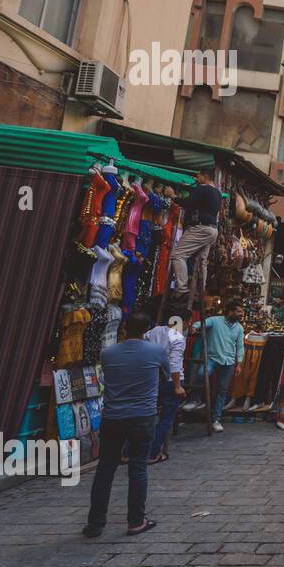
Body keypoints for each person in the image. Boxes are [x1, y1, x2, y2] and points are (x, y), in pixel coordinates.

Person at [84, 312, 168, 537]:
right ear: (146, 330)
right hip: (142, 416)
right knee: (138, 468)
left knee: (105, 469)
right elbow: (167, 374)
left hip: (113, 416)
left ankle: (95, 522)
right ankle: (136, 521)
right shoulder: (157, 351)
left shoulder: (108, 353)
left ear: (123, 328)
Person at [168, 169, 221, 307]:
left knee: (178, 255)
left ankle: (182, 290)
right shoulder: (217, 193)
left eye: (198, 176)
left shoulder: (202, 189)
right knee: (201, 260)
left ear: (205, 176)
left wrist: (173, 196)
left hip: (201, 228)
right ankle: (200, 289)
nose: (196, 179)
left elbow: (189, 203)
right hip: (212, 229)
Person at [145, 317, 186, 463]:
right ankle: (153, 453)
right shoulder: (178, 337)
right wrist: (177, 386)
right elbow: (174, 363)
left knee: (145, 417)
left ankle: (127, 452)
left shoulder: (153, 332)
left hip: (151, 378)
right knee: (166, 419)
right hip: (169, 381)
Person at [203, 302, 245, 432]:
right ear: (230, 311)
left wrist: (239, 364)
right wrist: (195, 327)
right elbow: (201, 324)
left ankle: (216, 419)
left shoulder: (239, 328)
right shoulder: (215, 321)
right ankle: (195, 400)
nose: (241, 314)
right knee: (201, 375)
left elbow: (240, 346)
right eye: (238, 311)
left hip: (228, 361)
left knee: (222, 390)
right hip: (211, 358)